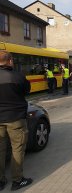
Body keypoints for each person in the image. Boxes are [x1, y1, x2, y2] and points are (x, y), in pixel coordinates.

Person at [0, 51, 33, 191]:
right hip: (15, 118)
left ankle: (0, 181)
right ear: (10, 61)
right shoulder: (18, 76)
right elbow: (27, 90)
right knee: (17, 148)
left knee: (0, 150)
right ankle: (17, 180)